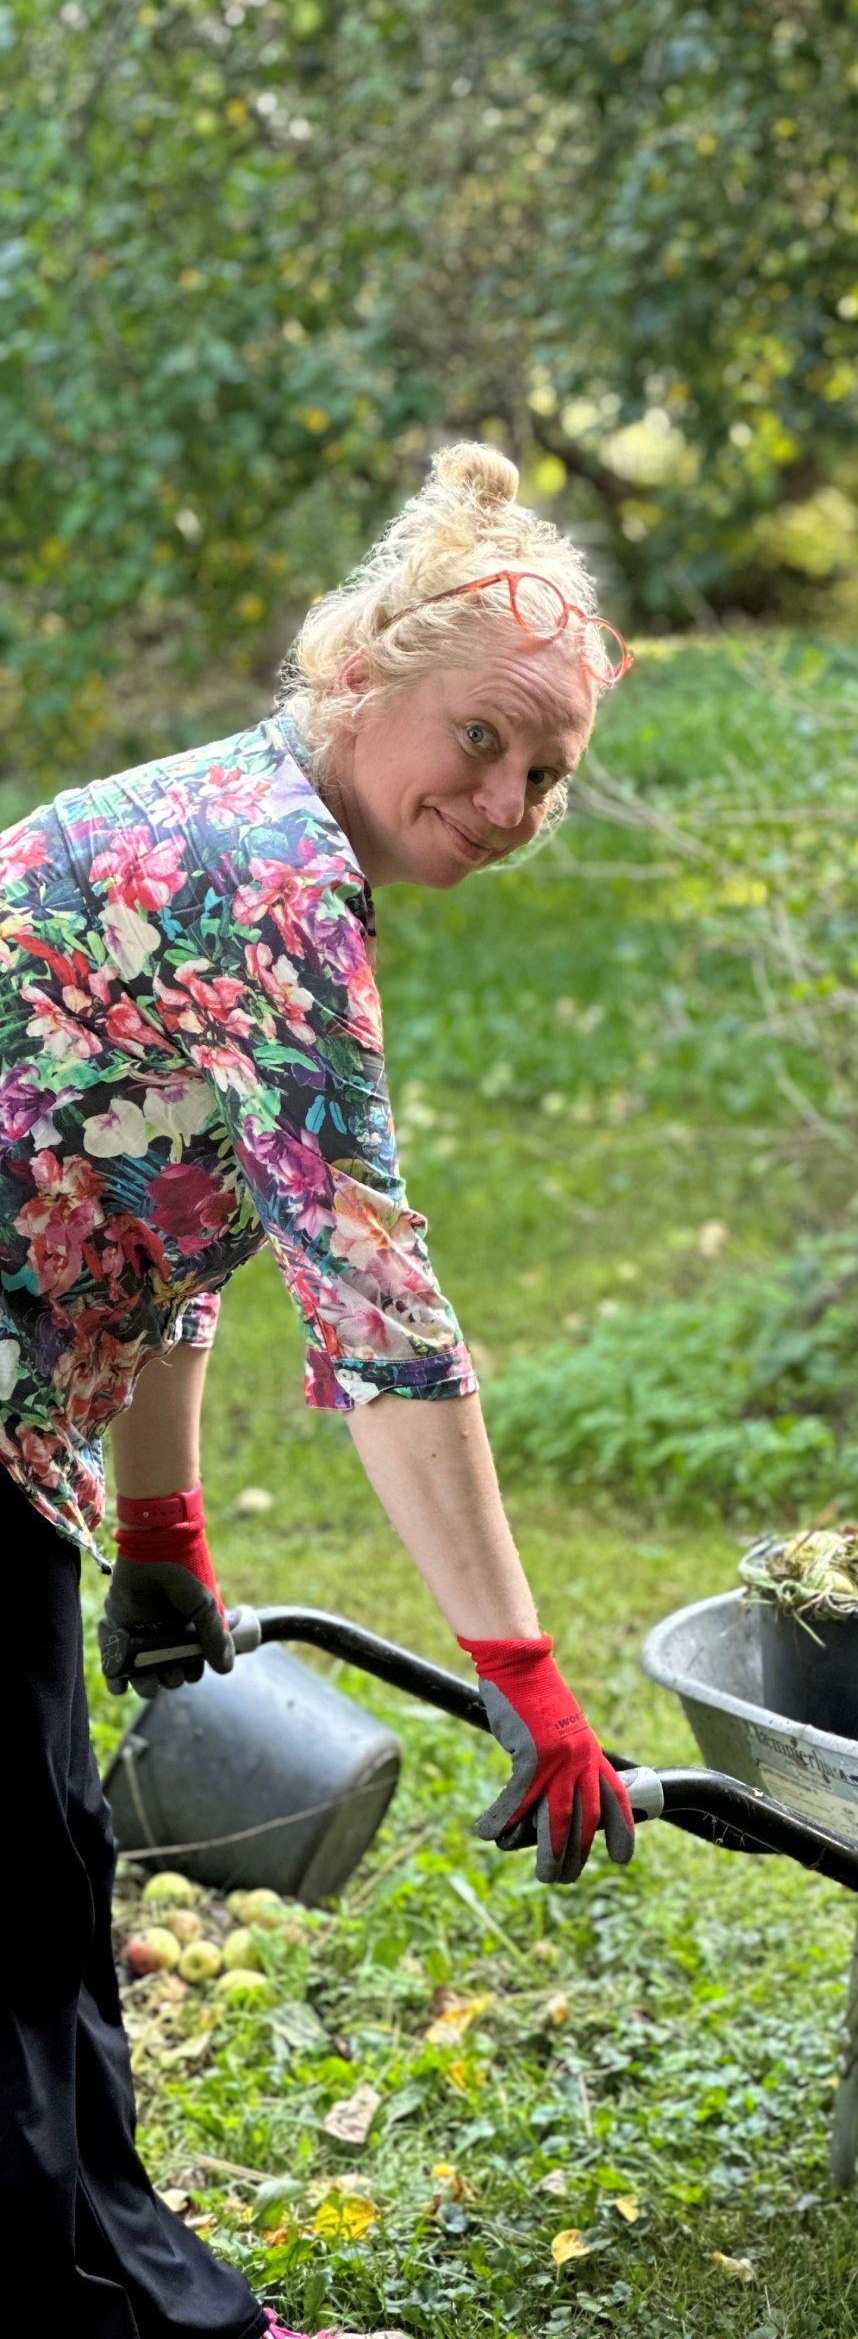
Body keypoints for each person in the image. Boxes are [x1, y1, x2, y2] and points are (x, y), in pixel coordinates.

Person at [0, 441, 637, 2339]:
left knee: (38, 1874)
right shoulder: (272, 884)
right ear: (362, 687)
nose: (509, 801)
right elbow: (376, 1303)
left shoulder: (251, 834)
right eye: (481, 744)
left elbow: (178, 1204)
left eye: (550, 776)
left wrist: (162, 1526)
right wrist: (526, 1671)